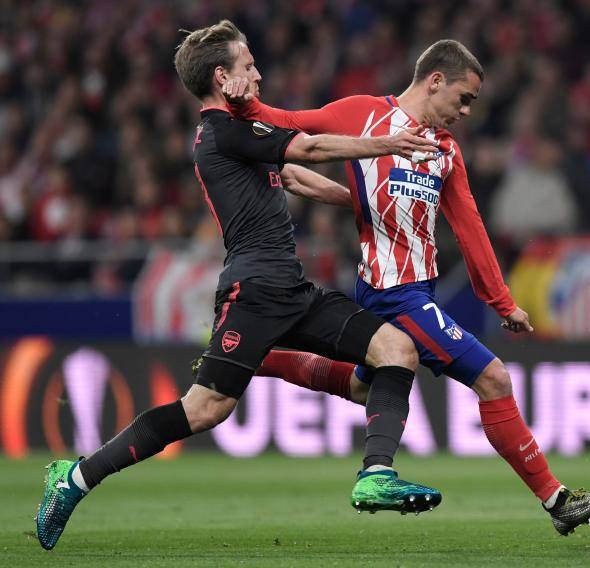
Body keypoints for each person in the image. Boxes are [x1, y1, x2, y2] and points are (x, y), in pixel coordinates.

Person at [35, 20, 445, 551]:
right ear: (223, 76)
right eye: (248, 65)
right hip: (250, 294)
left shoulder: (243, 131)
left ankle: (375, 474)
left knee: (394, 352)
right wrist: (388, 143)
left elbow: (295, 177)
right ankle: (74, 478)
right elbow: (310, 151)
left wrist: (363, 206)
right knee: (205, 409)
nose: (259, 73)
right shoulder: (222, 131)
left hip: (292, 290)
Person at [223, 39, 590, 535]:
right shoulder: (362, 115)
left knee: (365, 384)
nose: (466, 112)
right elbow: (288, 122)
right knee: (494, 380)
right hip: (390, 292)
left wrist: (501, 300)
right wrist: (241, 102)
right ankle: (557, 502)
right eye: (463, 98)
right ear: (435, 81)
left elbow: (469, 227)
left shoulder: (446, 151)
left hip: (417, 293)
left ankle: (255, 358)